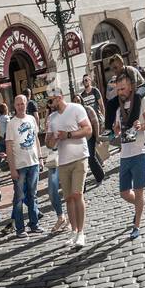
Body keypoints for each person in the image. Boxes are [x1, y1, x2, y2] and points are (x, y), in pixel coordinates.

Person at [45, 85, 93, 248]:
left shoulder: (76, 108)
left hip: (80, 157)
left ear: (59, 97)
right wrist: (54, 139)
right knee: (69, 198)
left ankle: (81, 233)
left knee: (77, 194)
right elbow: (49, 144)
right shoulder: (51, 118)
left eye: (51, 100)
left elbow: (88, 129)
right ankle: (74, 231)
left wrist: (69, 135)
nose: (50, 103)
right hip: (63, 161)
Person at [114, 72, 145, 239]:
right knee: (124, 192)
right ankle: (140, 205)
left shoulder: (142, 101)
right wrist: (115, 130)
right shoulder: (119, 107)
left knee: (138, 191)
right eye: (118, 89)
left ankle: (136, 224)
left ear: (130, 87)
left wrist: (141, 126)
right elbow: (117, 129)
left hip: (139, 151)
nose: (120, 92)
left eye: (122, 88)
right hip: (125, 154)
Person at [6, 94, 41, 237]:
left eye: (23, 103)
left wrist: (40, 158)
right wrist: (12, 168)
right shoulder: (11, 124)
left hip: (33, 163)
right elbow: (8, 147)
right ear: (14, 106)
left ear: (27, 104)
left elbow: (36, 139)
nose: (21, 106)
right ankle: (20, 229)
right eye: (18, 104)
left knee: (33, 195)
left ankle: (34, 224)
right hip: (19, 166)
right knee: (19, 198)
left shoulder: (32, 119)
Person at [77, 76, 106, 186]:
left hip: (97, 120)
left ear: (90, 81)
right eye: (83, 80)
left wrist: (103, 117)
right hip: (88, 123)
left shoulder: (95, 91)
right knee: (91, 148)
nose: (85, 82)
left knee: (95, 144)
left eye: (86, 80)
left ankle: (99, 162)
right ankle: (99, 162)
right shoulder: (83, 95)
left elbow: (101, 104)